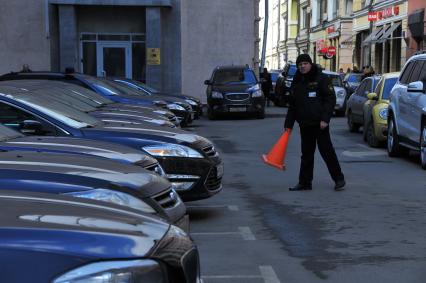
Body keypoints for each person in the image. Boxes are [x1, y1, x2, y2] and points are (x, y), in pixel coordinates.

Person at [284, 54, 345, 191]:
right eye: (300, 65)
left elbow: (330, 99)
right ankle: (305, 182)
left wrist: (325, 119)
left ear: (310, 64)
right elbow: (293, 105)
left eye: (305, 63)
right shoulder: (297, 80)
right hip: (305, 124)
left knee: (327, 152)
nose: (302, 66)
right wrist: (288, 124)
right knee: (306, 154)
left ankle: (338, 178)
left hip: (320, 124)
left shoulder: (321, 78)